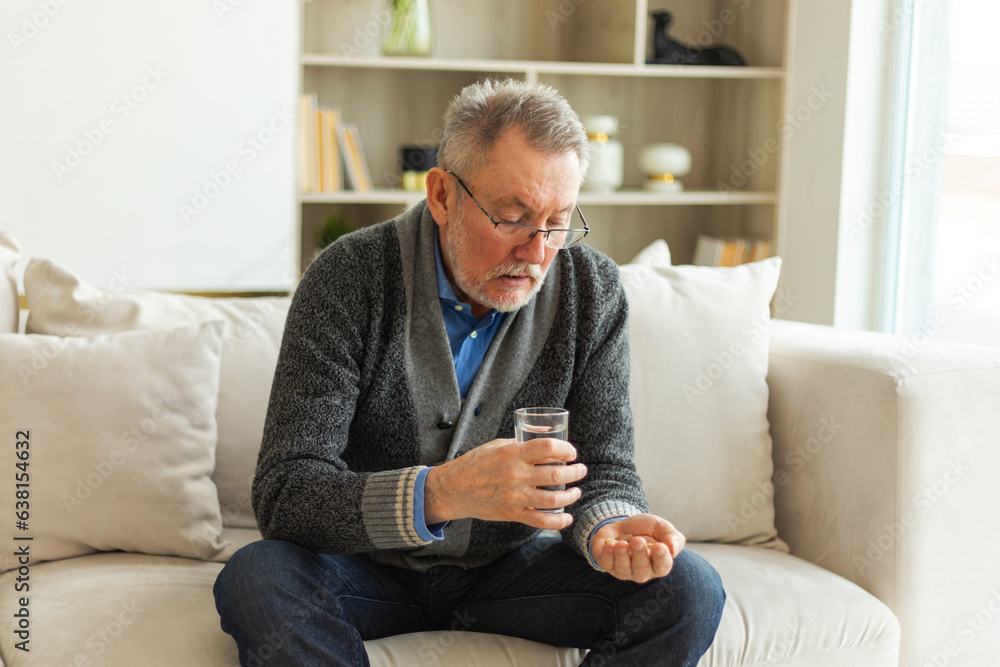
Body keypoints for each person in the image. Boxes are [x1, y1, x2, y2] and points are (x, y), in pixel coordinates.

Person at [214, 78, 725, 666]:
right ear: (441, 196)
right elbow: (287, 495)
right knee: (259, 578)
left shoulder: (592, 290)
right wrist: (443, 492)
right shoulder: (348, 277)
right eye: (512, 218)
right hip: (363, 571)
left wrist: (611, 529)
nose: (537, 253)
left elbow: (605, 470)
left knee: (688, 589)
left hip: (507, 575)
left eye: (558, 222)